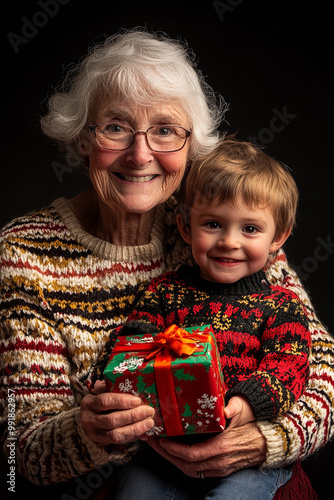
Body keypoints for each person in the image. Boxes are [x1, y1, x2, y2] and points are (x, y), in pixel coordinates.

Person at [0, 28, 332, 498]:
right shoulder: (24, 252)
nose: (140, 155)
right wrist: (90, 431)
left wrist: (261, 440)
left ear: (190, 145)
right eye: (115, 127)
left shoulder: (221, 231)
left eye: (165, 131)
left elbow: (320, 370)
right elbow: (21, 454)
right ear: (81, 139)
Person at [99, 137, 311, 500]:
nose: (229, 242)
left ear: (278, 237)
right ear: (185, 228)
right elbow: (129, 343)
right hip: (166, 446)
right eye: (212, 224)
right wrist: (129, 361)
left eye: (250, 229)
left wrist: (244, 405)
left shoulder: (282, 306)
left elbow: (287, 367)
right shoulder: (165, 294)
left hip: (246, 456)